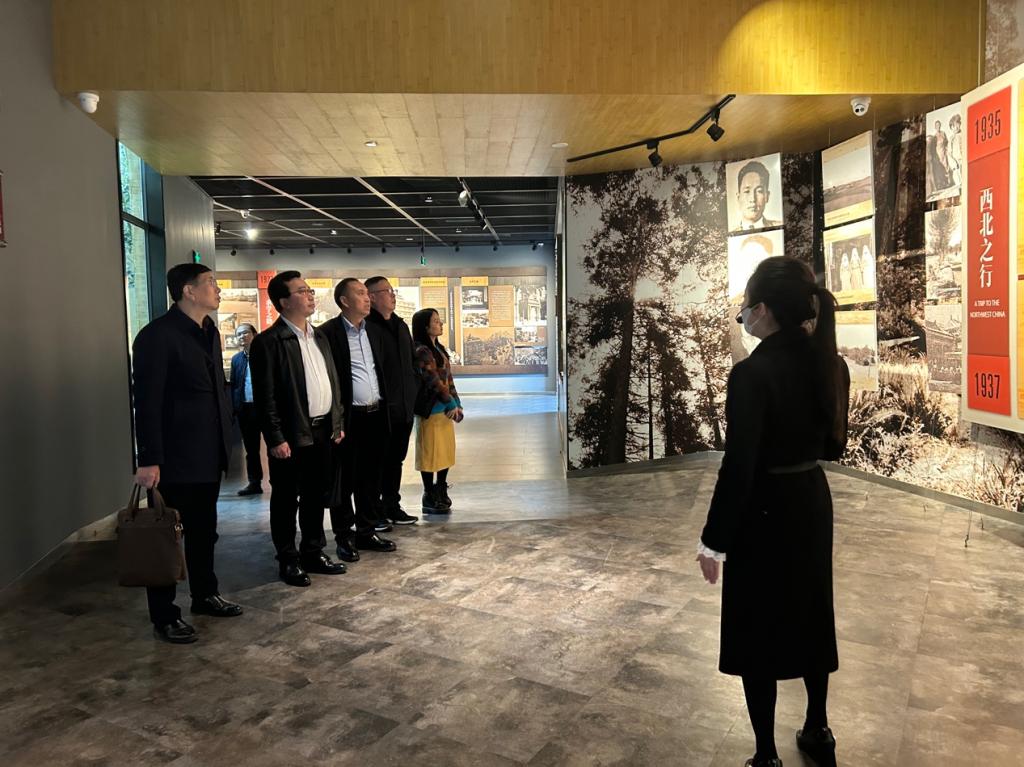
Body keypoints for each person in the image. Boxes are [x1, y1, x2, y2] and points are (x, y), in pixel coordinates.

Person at [696, 256, 850, 767]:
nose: (742, 315)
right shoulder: (832, 364)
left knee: (755, 625)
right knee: (811, 611)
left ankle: (765, 754)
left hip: (763, 507)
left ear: (762, 310)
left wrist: (714, 539)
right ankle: (818, 728)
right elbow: (834, 447)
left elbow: (740, 466)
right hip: (810, 498)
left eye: (745, 307)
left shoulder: (751, 373)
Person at [132, 263, 242, 644]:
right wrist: (149, 458)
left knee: (204, 531)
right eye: (211, 283)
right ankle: (164, 615)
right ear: (188, 291)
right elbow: (147, 402)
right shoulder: (157, 336)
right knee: (165, 537)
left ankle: (205, 594)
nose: (218, 289)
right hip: (173, 458)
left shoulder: (209, 331)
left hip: (208, 454)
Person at [249, 271, 348, 587]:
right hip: (291, 436)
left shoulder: (319, 337)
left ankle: (313, 551)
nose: (310, 295)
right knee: (285, 499)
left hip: (323, 431)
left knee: (316, 495)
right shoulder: (269, 342)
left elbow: (332, 382)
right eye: (302, 291)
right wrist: (275, 437)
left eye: (310, 290)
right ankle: (288, 558)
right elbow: (265, 397)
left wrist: (337, 422)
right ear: (283, 301)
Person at [320, 278, 398, 562]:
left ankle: (366, 531)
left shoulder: (373, 331)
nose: (367, 298)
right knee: (345, 480)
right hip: (349, 418)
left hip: (375, 415)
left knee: (371, 478)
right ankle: (344, 536)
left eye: (367, 293)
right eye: (361, 293)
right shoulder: (328, 333)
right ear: (344, 301)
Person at [365, 276, 420, 526]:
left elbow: (411, 363)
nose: (393, 295)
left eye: (392, 290)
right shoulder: (366, 328)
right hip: (380, 409)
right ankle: (373, 510)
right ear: (372, 296)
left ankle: (391, 505)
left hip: (404, 408)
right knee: (376, 462)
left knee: (395, 459)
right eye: (387, 291)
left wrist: (413, 391)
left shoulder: (400, 326)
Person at [411, 308, 464, 513]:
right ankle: (429, 493)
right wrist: (450, 404)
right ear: (425, 326)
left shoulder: (439, 349)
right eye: (435, 321)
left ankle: (441, 488)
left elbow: (448, 379)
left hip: (446, 411)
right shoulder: (420, 350)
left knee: (445, 452)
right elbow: (432, 381)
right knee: (429, 453)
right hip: (431, 410)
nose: (440, 324)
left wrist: (457, 403)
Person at [230, 323, 264, 496]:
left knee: (276, 446)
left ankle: (283, 483)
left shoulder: (265, 354)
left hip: (265, 408)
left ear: (254, 334)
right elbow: (234, 384)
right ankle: (254, 482)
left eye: (245, 333)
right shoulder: (236, 359)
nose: (241, 336)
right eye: (238, 334)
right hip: (246, 408)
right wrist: (235, 407)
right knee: (251, 449)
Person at [735, 160, 781, 231]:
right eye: (747, 191)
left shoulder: (779, 226)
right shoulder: (731, 234)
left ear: (767, 196)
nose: (753, 199)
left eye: (759, 191)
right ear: (738, 197)